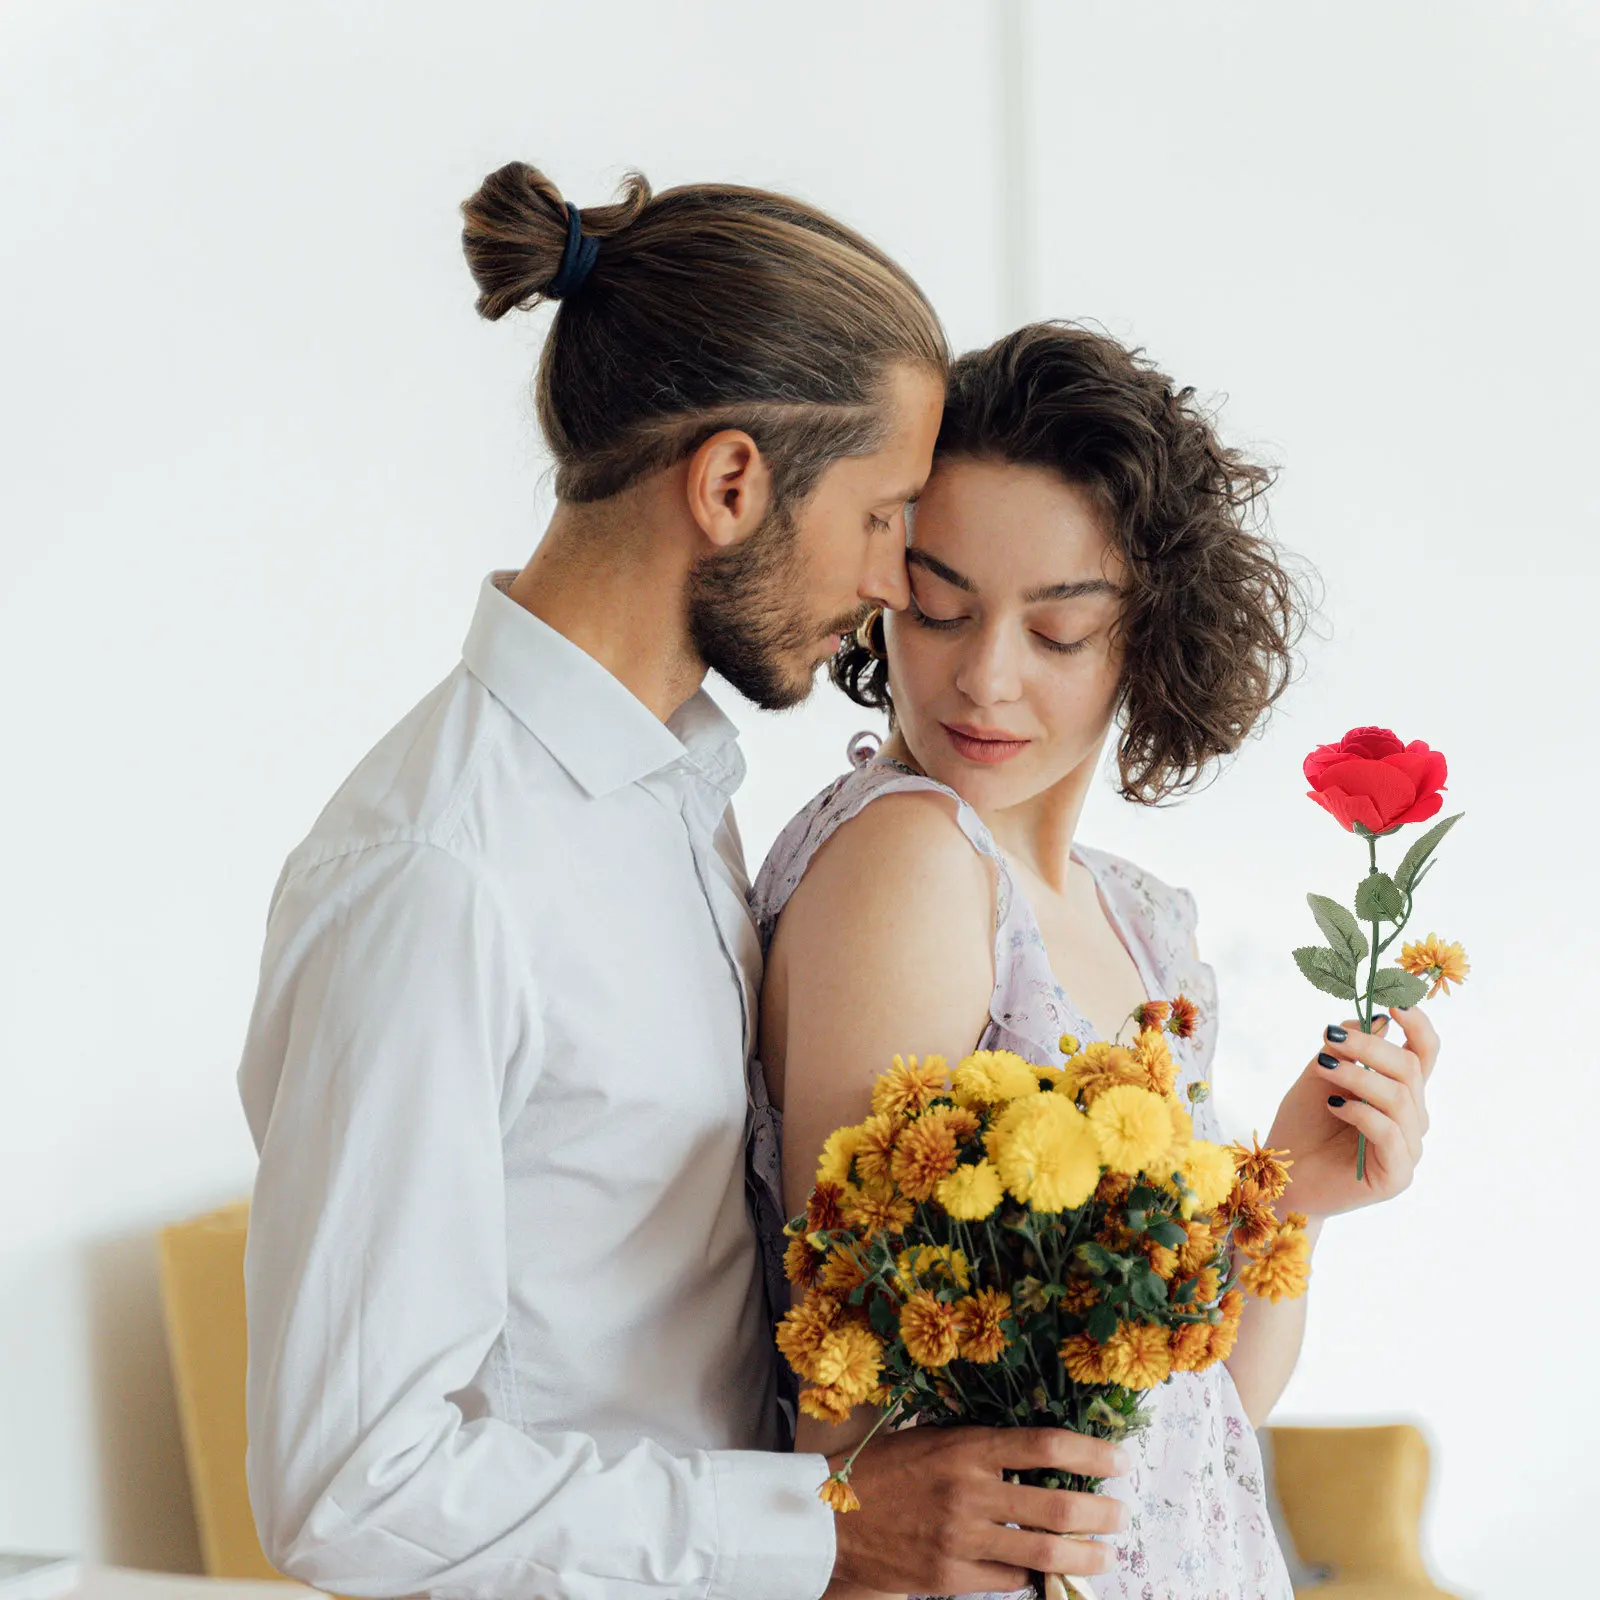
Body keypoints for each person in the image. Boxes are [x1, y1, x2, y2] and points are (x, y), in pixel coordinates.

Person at [235, 165, 1126, 1600]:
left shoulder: (672, 797)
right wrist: (822, 1526)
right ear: (730, 485)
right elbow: (352, 1485)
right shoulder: (440, 870)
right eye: (889, 514)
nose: (900, 583)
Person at [750, 322, 1442, 1599]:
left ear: (1148, 636)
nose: (983, 677)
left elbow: (1197, 1417)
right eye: (938, 604)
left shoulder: (1143, 924)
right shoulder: (909, 867)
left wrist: (1284, 1197)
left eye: (1058, 631)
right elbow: (852, 1437)